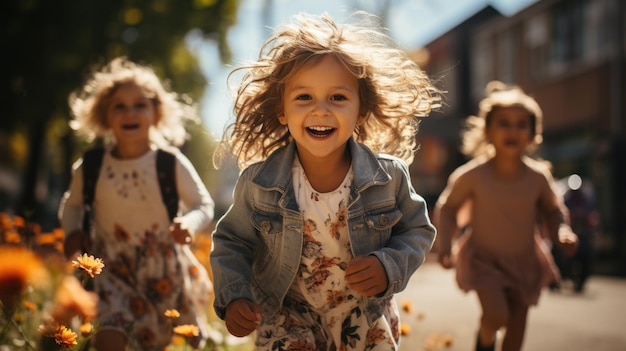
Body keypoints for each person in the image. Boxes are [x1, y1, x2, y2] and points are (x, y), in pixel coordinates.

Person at [210, 11, 440, 350]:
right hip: (288, 313)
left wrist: (388, 265)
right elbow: (232, 242)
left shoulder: (387, 177)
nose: (321, 110)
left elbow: (417, 230)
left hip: (364, 312)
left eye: (338, 97)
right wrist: (235, 297)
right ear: (282, 111)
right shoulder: (259, 183)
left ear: (361, 110)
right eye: (304, 97)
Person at [58, 57, 214, 351]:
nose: (130, 112)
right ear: (105, 115)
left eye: (140, 105)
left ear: (156, 113)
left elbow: (202, 204)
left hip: (165, 275)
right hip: (110, 272)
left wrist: (189, 224)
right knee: (110, 335)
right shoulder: (91, 166)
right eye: (119, 106)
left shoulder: (169, 163)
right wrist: (72, 231)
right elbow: (73, 204)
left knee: (168, 340)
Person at [433, 81, 578, 351]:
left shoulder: (537, 177)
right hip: (484, 260)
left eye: (521, 124)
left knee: (516, 332)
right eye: (504, 123)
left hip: (525, 262)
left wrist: (562, 232)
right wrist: (445, 245)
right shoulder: (473, 175)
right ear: (487, 130)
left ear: (533, 133)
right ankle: (485, 341)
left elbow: (553, 210)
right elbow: (448, 207)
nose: (513, 130)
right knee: (497, 315)